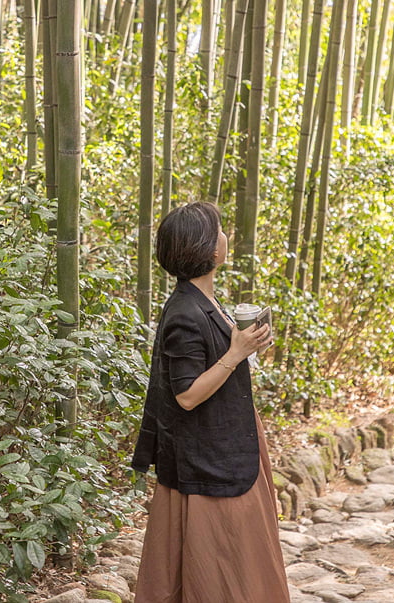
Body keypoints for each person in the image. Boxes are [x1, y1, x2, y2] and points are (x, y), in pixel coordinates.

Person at [131, 201, 290, 603]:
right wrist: (234, 354)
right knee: (219, 561)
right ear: (208, 250)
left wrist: (246, 345)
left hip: (226, 443)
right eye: (219, 229)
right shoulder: (186, 312)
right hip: (208, 462)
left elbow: (217, 362)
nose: (225, 236)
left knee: (238, 558)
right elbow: (186, 395)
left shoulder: (206, 302)